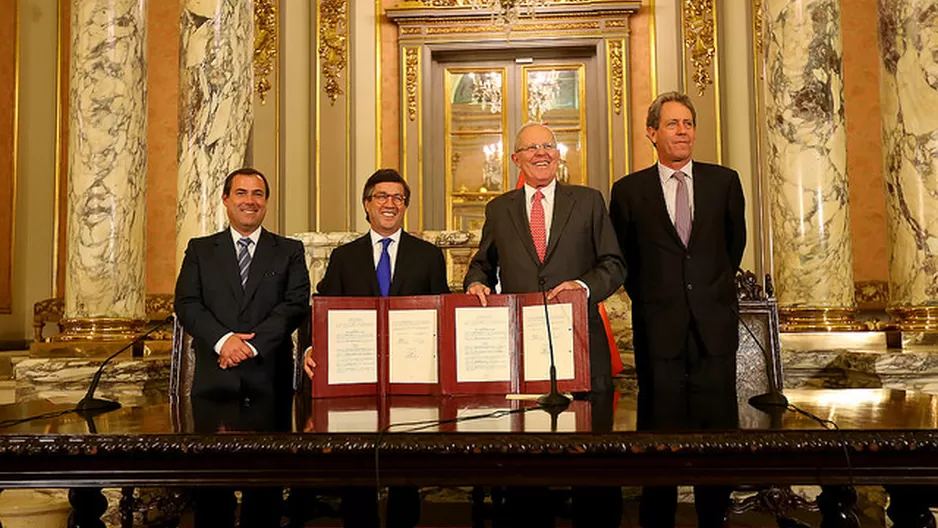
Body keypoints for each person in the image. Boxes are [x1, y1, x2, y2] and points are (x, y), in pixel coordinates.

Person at [463, 122, 626, 528]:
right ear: (515, 158)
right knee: (528, 458)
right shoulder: (499, 209)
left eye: (548, 146)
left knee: (592, 461)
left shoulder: (588, 202)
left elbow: (614, 264)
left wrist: (583, 286)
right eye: (530, 147)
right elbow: (483, 261)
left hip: (583, 343)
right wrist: (476, 282)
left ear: (558, 154)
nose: (541, 153)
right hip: (523, 351)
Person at [609, 91, 747, 528]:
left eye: (688, 122)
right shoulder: (628, 191)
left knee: (716, 438)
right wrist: (656, 298)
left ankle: (714, 519)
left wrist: (706, 292)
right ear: (652, 133)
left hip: (713, 329)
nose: (683, 130)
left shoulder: (725, 181)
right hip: (659, 330)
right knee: (660, 437)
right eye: (672, 123)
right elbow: (624, 258)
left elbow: (733, 246)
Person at [300, 168, 449, 528]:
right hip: (357, 377)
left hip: (411, 378)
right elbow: (322, 307)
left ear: (405, 207)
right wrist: (309, 346)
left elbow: (443, 312)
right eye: (381, 196)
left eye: (398, 198)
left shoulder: (428, 256)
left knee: (404, 471)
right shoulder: (344, 257)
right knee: (358, 469)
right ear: (367, 205)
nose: (390, 203)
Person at [175, 167, 311, 528]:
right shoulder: (201, 250)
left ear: (266, 202)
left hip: (271, 385)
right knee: (212, 493)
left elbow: (296, 305)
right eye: (241, 193)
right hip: (213, 387)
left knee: (264, 492)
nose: (250, 201)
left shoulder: (289, 251)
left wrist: (250, 347)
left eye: (258, 194)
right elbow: (187, 303)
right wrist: (225, 340)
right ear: (225, 199)